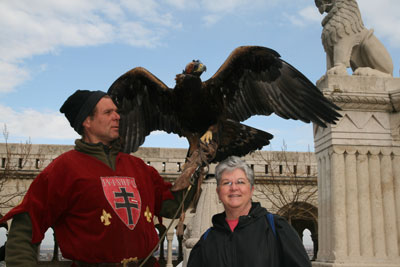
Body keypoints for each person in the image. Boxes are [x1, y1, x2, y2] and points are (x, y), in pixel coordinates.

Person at [0, 90, 195, 266]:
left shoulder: (138, 167)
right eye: (108, 112)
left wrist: (196, 167)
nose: (117, 117)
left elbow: (173, 205)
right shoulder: (64, 169)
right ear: (87, 121)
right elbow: (26, 226)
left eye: (116, 112)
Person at [187, 156, 311, 267]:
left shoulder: (276, 228)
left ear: (251, 189)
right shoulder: (208, 240)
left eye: (240, 182)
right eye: (226, 183)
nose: (234, 188)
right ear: (218, 192)